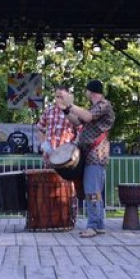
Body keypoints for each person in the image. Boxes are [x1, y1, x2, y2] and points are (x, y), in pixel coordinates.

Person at [60, 79, 115, 238]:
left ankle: (92, 226)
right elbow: (78, 121)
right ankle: (99, 225)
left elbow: (89, 117)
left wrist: (71, 105)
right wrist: (65, 111)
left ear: (90, 91)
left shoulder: (104, 105)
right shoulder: (95, 107)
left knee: (92, 191)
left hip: (96, 155)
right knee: (92, 191)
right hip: (89, 155)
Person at [35, 86, 78, 160]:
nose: (59, 99)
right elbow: (40, 129)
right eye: (57, 96)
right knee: (49, 172)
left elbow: (80, 131)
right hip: (49, 155)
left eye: (62, 97)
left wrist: (73, 148)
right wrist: (44, 146)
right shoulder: (48, 110)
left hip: (67, 156)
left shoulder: (74, 111)